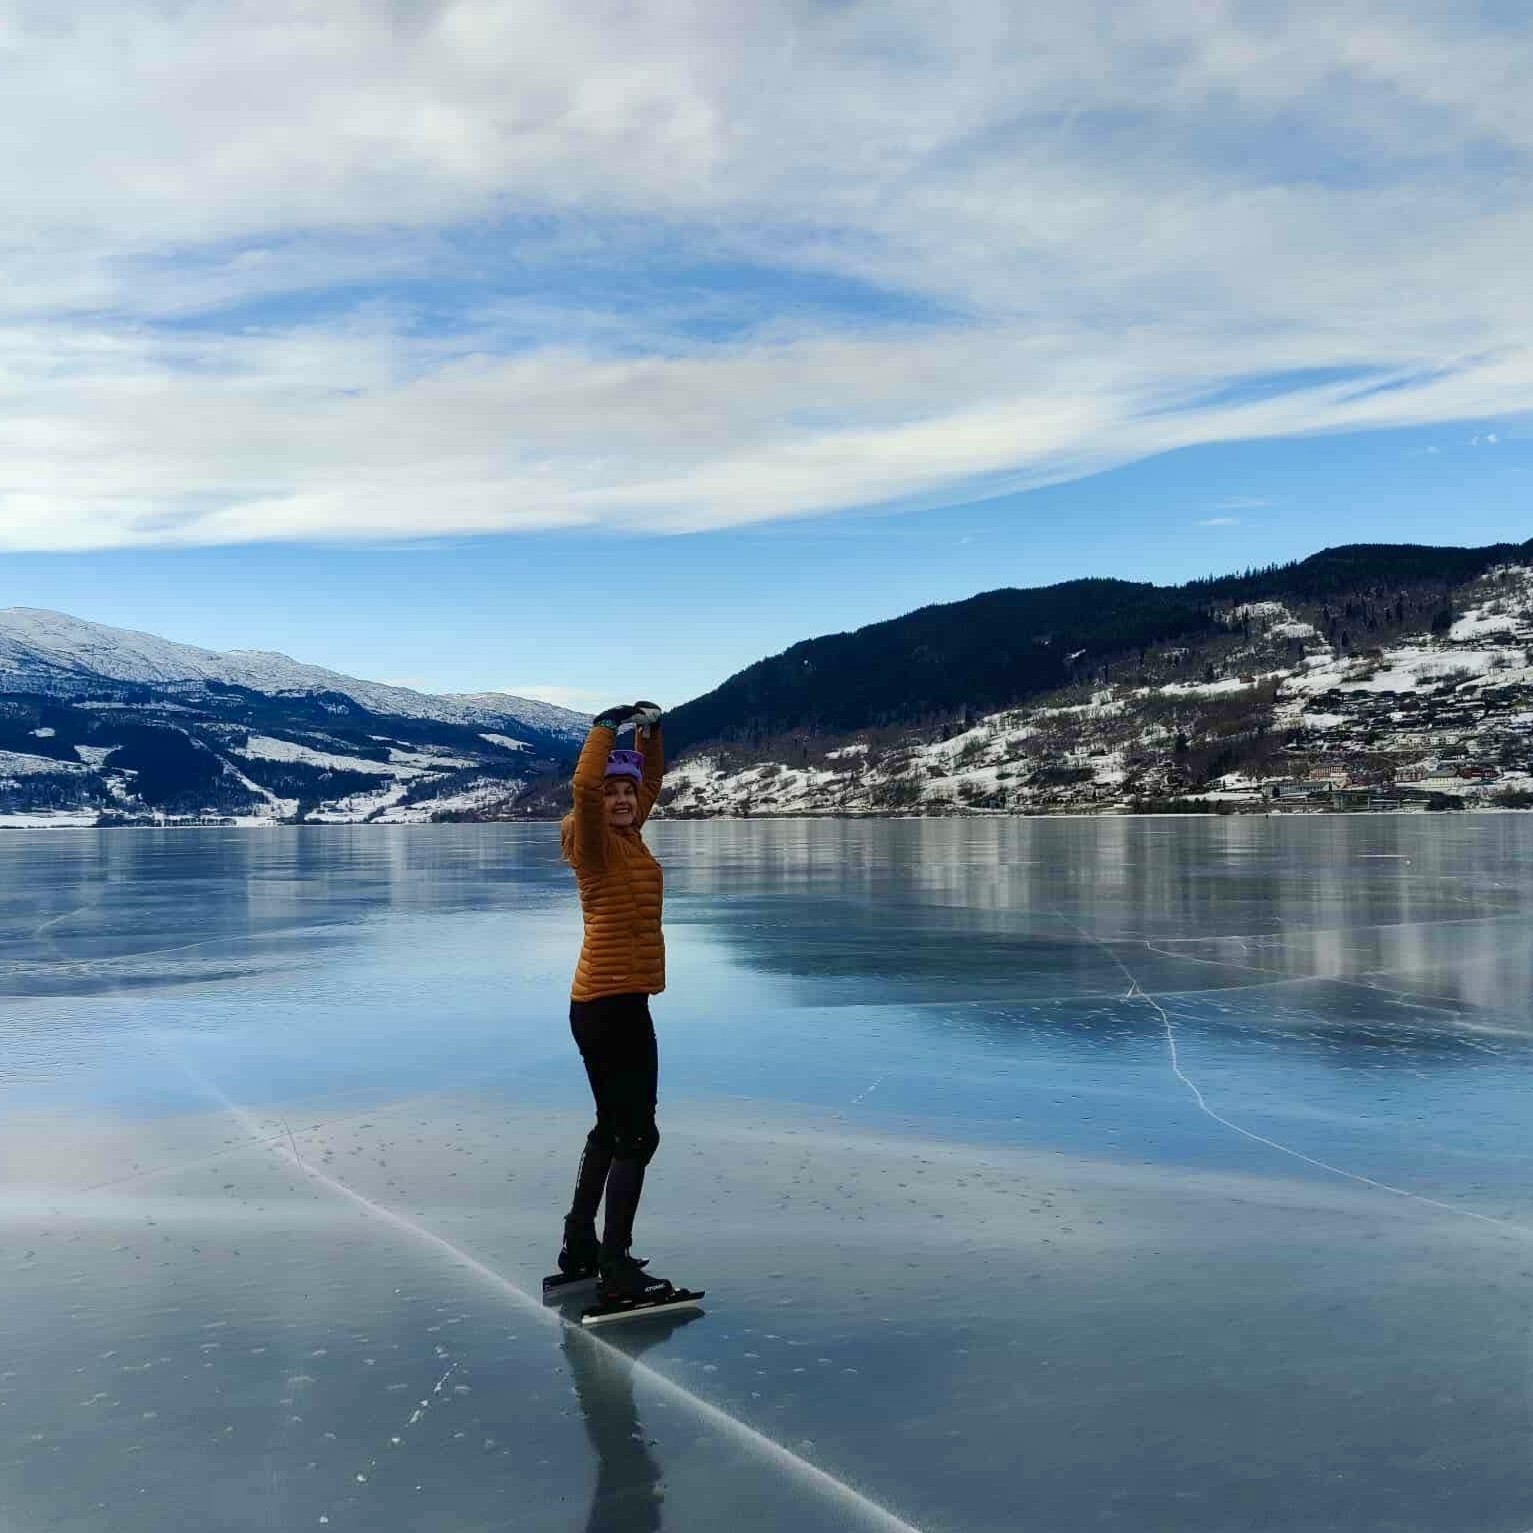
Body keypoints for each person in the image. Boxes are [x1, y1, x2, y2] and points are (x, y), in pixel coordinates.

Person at [556, 700, 677, 1305]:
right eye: (613, 795)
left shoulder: (629, 837)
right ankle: (615, 1261)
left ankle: (580, 1244)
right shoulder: (595, 844)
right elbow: (584, 785)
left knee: (616, 1126)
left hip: (621, 1002)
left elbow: (650, 780)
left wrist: (649, 734)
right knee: (636, 1133)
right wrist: (603, 732)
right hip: (607, 1006)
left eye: (627, 794)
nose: (625, 800)